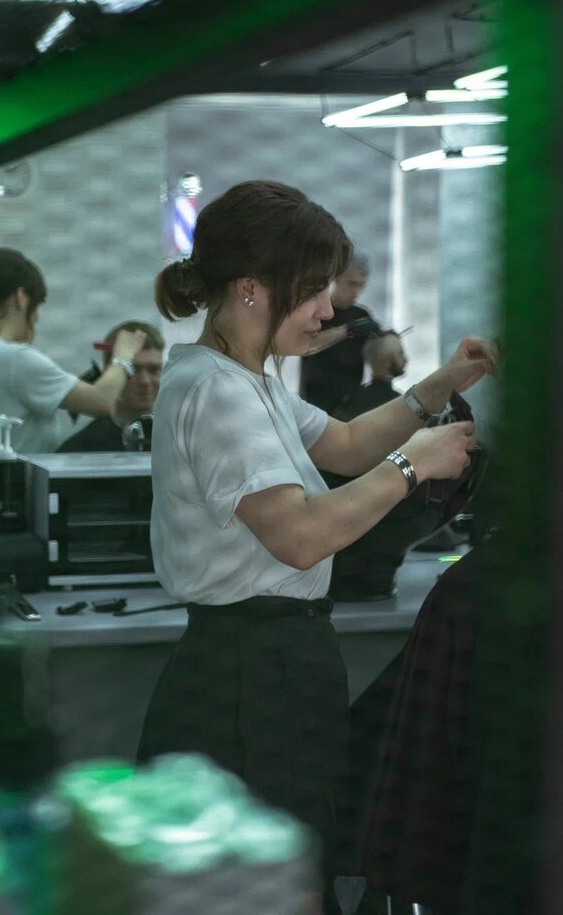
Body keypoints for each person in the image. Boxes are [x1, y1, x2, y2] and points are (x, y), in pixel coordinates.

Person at [135, 180, 497, 914]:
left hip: (276, 661)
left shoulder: (250, 381)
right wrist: (414, 466)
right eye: (311, 292)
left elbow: (347, 444)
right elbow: (299, 536)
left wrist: (442, 384)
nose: (329, 311)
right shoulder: (219, 393)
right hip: (249, 673)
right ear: (251, 288)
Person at [0, 248, 146, 454]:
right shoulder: (15, 358)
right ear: (21, 297)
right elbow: (101, 400)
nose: (36, 319)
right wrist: (124, 354)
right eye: (37, 306)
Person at [57, 321, 164, 452]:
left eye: (154, 370)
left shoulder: (182, 437)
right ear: (111, 373)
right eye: (132, 370)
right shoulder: (78, 451)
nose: (145, 381)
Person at [300, 253, 381, 415]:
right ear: (336, 278)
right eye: (352, 284)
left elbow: (377, 353)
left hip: (349, 406)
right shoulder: (318, 311)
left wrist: (385, 339)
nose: (356, 291)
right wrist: (347, 330)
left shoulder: (362, 315)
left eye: (361, 285)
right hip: (315, 405)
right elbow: (305, 345)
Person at [333, 330, 407, 421]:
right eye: (400, 354)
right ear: (386, 361)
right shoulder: (398, 404)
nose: (405, 360)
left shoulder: (350, 399)